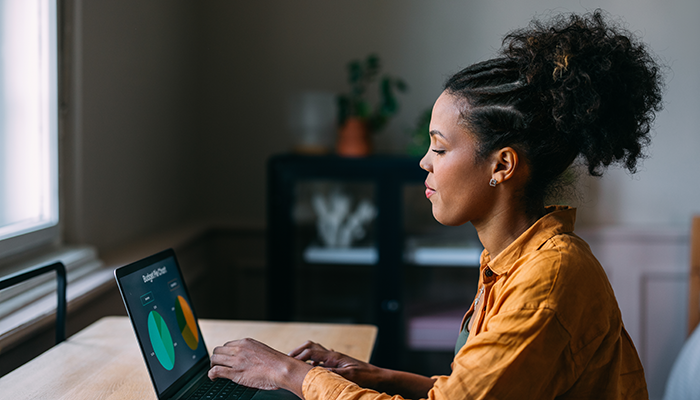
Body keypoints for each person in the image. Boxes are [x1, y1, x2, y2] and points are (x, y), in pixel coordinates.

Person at [208, 10, 663, 400]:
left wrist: (291, 374)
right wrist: (371, 375)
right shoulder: (513, 259)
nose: (424, 161)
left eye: (440, 149)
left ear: (502, 165)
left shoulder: (551, 280)